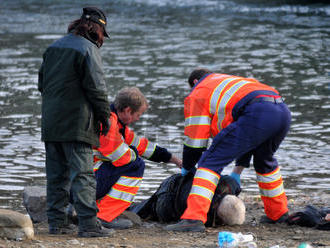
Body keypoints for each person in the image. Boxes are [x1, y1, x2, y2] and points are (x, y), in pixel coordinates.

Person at [165, 68, 291, 232]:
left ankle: (193, 218)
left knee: (210, 162)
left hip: (257, 112)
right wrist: (237, 171)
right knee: (264, 161)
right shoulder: (228, 82)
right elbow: (247, 137)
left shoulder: (198, 92)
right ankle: (278, 214)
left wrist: (187, 167)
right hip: (282, 111)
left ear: (195, 83)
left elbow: (195, 142)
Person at [38, 7, 113, 237]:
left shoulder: (53, 48)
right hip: (77, 124)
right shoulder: (88, 50)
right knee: (83, 175)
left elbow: (41, 84)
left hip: (51, 123)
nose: (102, 39)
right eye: (102, 33)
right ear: (96, 29)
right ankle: (89, 225)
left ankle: (56, 224)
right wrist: (104, 117)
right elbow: (97, 89)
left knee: (56, 176)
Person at [93, 87, 182, 229]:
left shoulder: (116, 123)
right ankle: (103, 216)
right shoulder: (108, 123)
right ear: (128, 110)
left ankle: (93, 210)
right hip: (85, 180)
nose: (137, 119)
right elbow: (120, 156)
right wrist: (134, 152)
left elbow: (142, 146)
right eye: (138, 115)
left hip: (84, 177)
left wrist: (173, 159)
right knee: (136, 165)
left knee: (134, 161)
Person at [129, 172, 244, 227]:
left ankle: (127, 209)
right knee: (147, 209)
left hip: (178, 179)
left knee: (144, 207)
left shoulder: (230, 184)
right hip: (166, 202)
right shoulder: (207, 218)